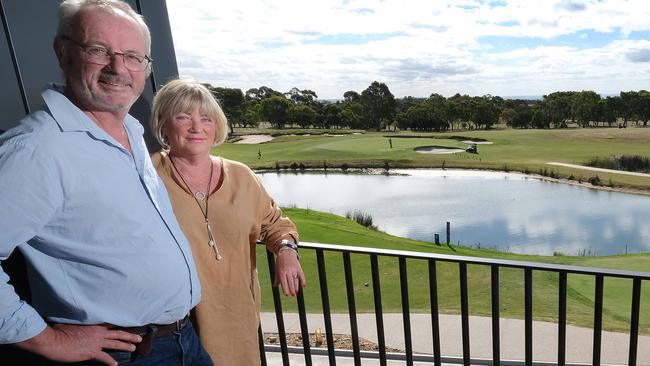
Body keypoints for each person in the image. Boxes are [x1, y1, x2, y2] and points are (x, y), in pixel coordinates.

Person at [0, 1, 211, 365]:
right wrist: (44, 339)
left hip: (182, 340)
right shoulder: (37, 149)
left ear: (145, 68)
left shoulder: (129, 130)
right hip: (122, 355)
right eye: (98, 50)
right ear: (63, 52)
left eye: (132, 56)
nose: (118, 68)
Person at [149, 78, 307, 365]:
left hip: (238, 321)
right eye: (183, 117)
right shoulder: (147, 176)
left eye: (206, 118)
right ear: (163, 123)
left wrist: (286, 250)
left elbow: (275, 223)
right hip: (174, 333)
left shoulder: (242, 176)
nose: (197, 128)